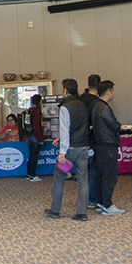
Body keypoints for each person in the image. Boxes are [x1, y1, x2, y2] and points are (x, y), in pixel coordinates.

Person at [46, 79, 90, 221]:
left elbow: (65, 129)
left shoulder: (65, 107)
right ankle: (82, 212)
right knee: (83, 180)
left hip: (69, 149)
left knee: (59, 179)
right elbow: (80, 127)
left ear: (65, 90)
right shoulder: (83, 105)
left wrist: (62, 152)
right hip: (83, 146)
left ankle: (55, 210)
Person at [91, 81, 123, 216]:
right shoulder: (104, 108)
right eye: (113, 91)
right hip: (108, 145)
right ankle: (108, 204)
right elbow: (114, 125)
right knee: (109, 177)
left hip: (99, 145)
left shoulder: (96, 105)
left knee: (100, 175)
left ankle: (100, 202)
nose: (113, 93)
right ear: (109, 92)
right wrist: (120, 126)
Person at [82, 74, 102, 208]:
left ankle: (84, 199)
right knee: (94, 170)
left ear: (87, 85)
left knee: (83, 171)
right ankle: (93, 199)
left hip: (81, 139)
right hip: (93, 139)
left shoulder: (80, 100)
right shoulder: (98, 103)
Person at [24, 94, 44, 181]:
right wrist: (40, 139)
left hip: (29, 135)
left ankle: (29, 174)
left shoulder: (30, 111)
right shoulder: (37, 111)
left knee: (31, 155)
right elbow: (37, 126)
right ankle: (33, 174)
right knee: (34, 156)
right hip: (35, 136)